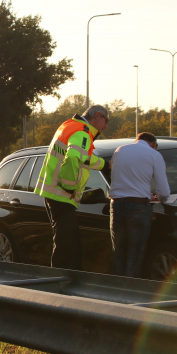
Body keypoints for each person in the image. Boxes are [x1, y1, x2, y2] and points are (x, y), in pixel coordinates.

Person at [34, 105, 109, 270]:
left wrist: (104, 164)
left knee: (65, 242)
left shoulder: (69, 125)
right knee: (66, 245)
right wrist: (69, 188)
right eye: (106, 120)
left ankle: (64, 280)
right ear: (97, 116)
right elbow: (74, 158)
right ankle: (62, 283)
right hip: (62, 194)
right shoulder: (83, 132)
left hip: (53, 192)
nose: (106, 126)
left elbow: (83, 157)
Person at [108, 132, 171, 278]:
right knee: (135, 255)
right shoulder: (154, 155)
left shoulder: (119, 150)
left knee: (119, 253)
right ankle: (130, 293)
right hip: (138, 207)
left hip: (116, 205)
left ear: (137, 140)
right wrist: (158, 198)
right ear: (154, 144)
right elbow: (164, 192)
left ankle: (116, 293)